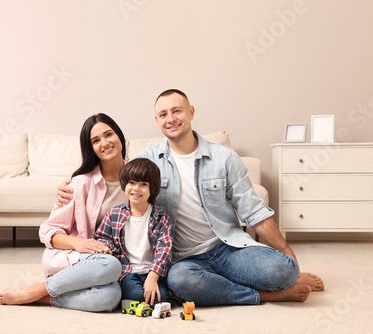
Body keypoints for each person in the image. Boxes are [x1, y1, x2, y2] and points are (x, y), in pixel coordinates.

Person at [57, 89, 324, 306]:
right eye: (163, 114)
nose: (170, 118)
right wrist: (73, 183)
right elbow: (119, 175)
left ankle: (240, 282)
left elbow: (253, 211)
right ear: (157, 121)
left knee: (284, 271)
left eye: (176, 111)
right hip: (183, 260)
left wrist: (287, 254)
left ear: (191, 112)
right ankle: (265, 295)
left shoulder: (224, 157)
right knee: (181, 283)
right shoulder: (149, 160)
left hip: (227, 248)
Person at [0, 113, 129, 312]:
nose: (105, 143)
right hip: (78, 258)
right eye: (96, 140)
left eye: (109, 134)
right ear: (90, 148)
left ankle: (43, 297)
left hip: (115, 261)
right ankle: (36, 290)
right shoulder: (80, 183)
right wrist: (81, 244)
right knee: (110, 265)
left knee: (110, 298)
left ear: (119, 136)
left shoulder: (139, 178)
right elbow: (48, 231)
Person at [95, 158, 173, 306]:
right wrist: (107, 249)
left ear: (152, 188)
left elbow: (165, 250)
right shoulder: (114, 214)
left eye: (143, 184)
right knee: (137, 296)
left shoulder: (161, 218)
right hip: (127, 273)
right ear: (124, 185)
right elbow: (101, 237)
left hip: (153, 273)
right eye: (131, 183)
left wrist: (153, 276)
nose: (136, 189)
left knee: (160, 299)